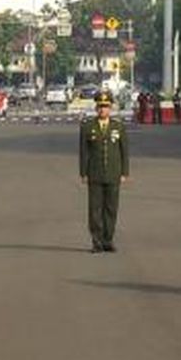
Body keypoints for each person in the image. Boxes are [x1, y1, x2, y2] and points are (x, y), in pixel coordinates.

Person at [79, 91, 129, 253]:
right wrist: (83, 173)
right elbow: (83, 152)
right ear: (96, 108)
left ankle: (108, 240)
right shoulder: (87, 126)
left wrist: (124, 172)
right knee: (95, 209)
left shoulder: (118, 126)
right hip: (94, 174)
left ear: (111, 108)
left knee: (111, 208)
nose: (103, 110)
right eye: (100, 106)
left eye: (106, 107)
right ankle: (96, 241)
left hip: (114, 173)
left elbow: (124, 151)